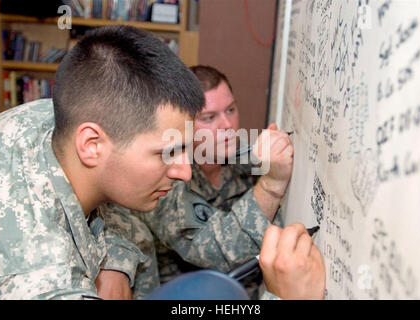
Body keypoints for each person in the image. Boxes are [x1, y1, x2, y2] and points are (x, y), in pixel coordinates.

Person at [0, 25, 205, 299]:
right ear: (91, 145)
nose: (185, 172)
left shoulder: (55, 117)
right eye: (167, 152)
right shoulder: (37, 275)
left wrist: (115, 256)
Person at [96, 66, 317, 299]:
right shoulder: (167, 176)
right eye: (210, 117)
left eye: (230, 110)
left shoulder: (245, 161)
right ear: (183, 126)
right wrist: (271, 184)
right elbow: (216, 251)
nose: (227, 126)